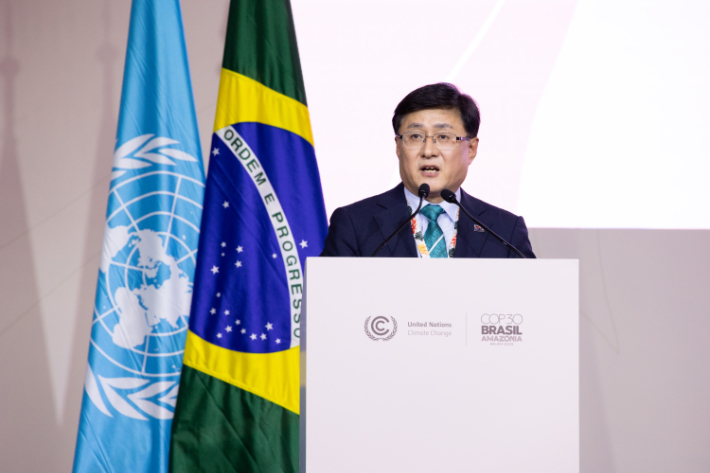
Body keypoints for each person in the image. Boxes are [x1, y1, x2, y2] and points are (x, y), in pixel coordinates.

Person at [320, 83, 535, 258]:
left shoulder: (504, 231)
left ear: (471, 149)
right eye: (415, 137)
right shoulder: (355, 224)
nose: (428, 151)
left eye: (443, 137)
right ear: (398, 147)